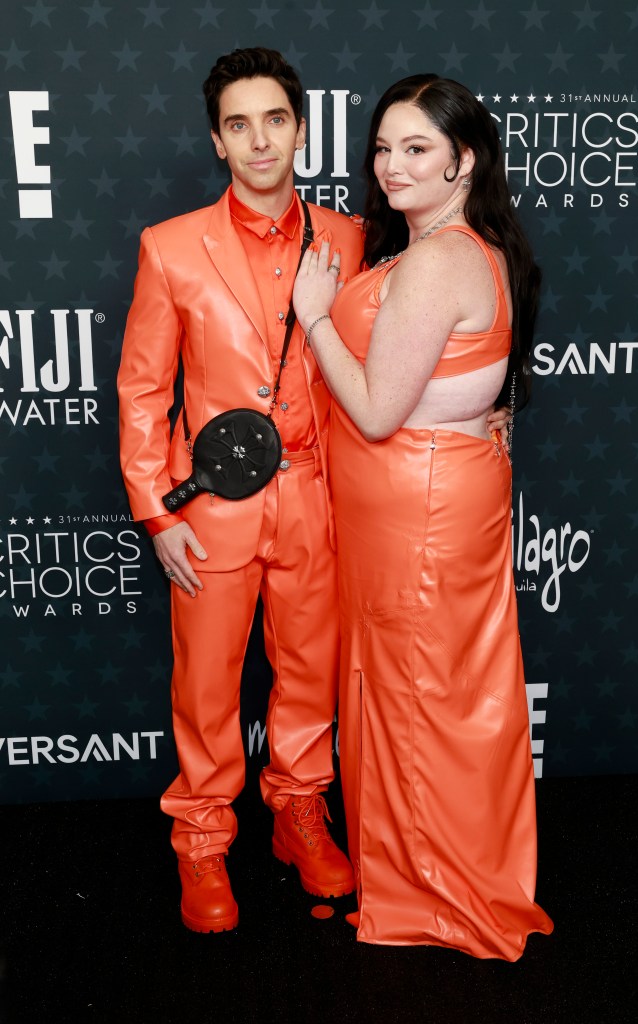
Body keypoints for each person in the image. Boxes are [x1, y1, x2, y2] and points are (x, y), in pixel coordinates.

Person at [293, 74, 554, 959]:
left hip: (420, 510)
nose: (392, 165)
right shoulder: (460, 247)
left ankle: (433, 889)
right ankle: (434, 865)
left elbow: (373, 411)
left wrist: (315, 317)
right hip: (430, 497)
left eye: (416, 149)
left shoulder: (441, 257)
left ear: (463, 161)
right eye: (382, 147)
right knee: (438, 691)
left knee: (418, 696)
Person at [117, 48, 366, 933]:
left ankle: (300, 813)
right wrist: (155, 512)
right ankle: (202, 840)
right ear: (217, 141)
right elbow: (145, 390)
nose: (259, 140)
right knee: (207, 687)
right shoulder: (170, 246)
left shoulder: (348, 239)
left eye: (274, 119)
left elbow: (388, 366)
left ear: (299, 128)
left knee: (309, 674)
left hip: (317, 496)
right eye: (237, 124)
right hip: (210, 505)